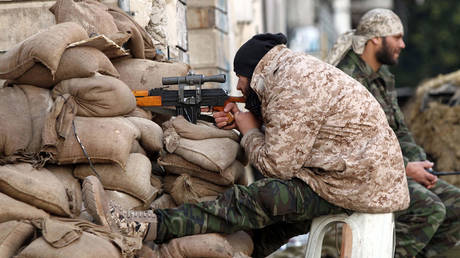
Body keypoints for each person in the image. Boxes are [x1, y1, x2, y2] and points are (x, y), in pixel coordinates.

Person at [83, 33, 410, 257]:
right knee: (276, 222)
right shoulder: (292, 74)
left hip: (355, 185)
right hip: (357, 180)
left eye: (240, 79)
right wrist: (246, 120)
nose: (238, 86)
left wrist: (250, 129)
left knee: (257, 200)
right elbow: (296, 131)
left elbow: (277, 166)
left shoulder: (293, 87)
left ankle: (143, 225)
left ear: (255, 74)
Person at [327, 8, 460, 257]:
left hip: (392, 172)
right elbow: (355, 146)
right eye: (397, 37)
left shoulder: (382, 76)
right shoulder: (347, 80)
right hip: (358, 178)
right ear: (376, 38)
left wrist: (421, 164)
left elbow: (399, 131)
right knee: (431, 208)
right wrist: (407, 168)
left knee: (457, 204)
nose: (403, 43)